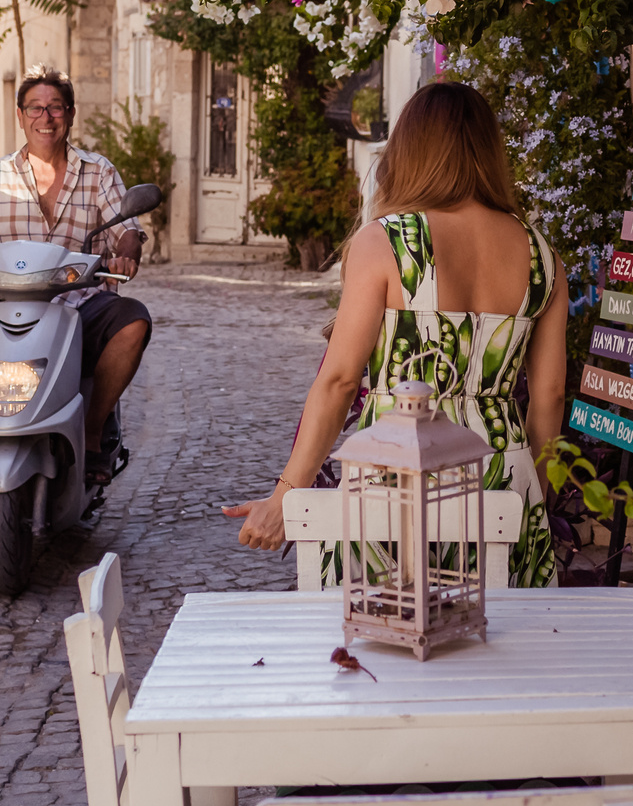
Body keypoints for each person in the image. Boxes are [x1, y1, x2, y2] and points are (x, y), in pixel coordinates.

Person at [225, 82, 568, 583]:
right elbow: (550, 395)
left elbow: (340, 381)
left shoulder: (385, 243)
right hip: (503, 472)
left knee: (384, 620)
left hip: (397, 469)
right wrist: (533, 492)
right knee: (500, 628)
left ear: (409, 151)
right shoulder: (543, 256)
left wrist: (286, 494)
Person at [0, 69, 151, 486]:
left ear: (71, 114)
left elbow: (127, 230)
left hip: (79, 303)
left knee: (134, 321)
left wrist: (125, 254)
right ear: (20, 115)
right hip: (4, 301)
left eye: (55, 108)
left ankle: (93, 429)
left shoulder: (98, 172)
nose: (45, 118)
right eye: (35, 108)